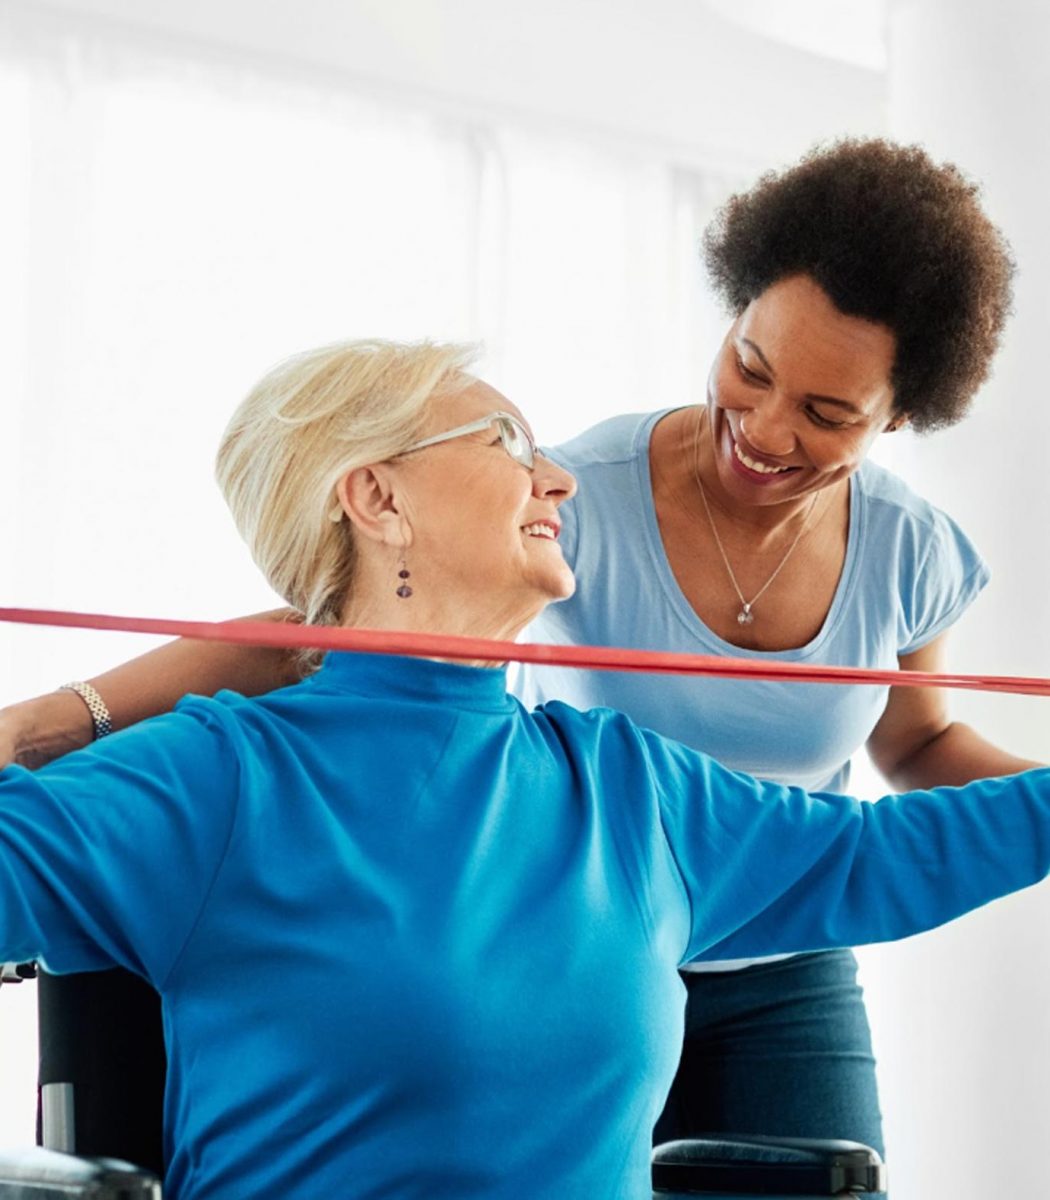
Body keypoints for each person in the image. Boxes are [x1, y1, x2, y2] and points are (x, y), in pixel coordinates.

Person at [0, 140, 1043, 1160]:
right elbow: (303, 639)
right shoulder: (217, 778)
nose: (559, 478)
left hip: (753, 940)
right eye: (506, 445)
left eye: (823, 412)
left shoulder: (629, 786)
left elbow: (881, 846)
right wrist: (45, 721)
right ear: (378, 496)